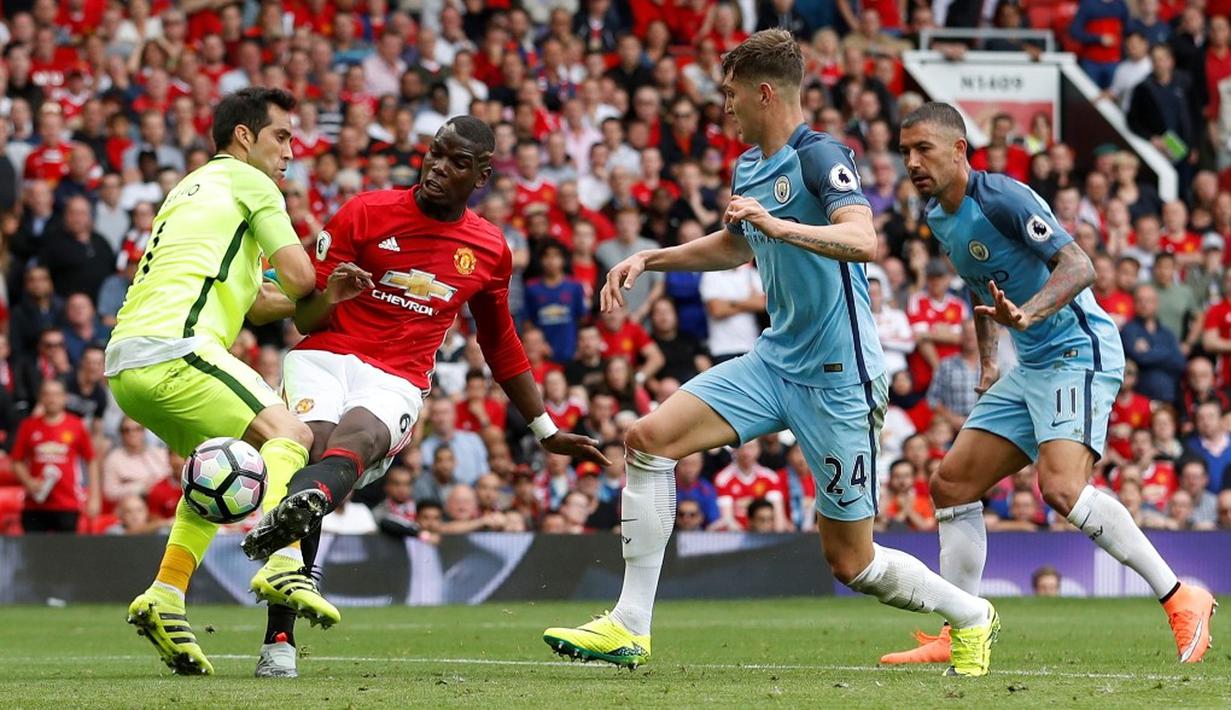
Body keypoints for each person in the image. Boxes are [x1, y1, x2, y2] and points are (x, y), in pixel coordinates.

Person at [543, 32, 999, 678]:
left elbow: (861, 237)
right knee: (647, 439)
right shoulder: (748, 166)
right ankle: (629, 626)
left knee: (852, 562)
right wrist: (652, 259)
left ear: (763, 94)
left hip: (839, 377)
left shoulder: (820, 157)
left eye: (728, 95)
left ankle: (971, 614)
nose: (721, 108)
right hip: (773, 361)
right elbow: (735, 248)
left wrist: (779, 224)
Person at [240, 117, 608, 674]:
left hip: (398, 375)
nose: (438, 167)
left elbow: (501, 343)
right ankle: (280, 640)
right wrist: (332, 294)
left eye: (457, 162)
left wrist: (547, 431)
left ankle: (285, 535)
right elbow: (304, 313)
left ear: (481, 175)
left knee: (354, 442)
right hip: (324, 354)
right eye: (435, 154)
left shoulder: (487, 248)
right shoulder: (364, 212)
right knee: (313, 448)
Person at [884, 102, 1213, 667]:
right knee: (952, 485)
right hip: (1029, 362)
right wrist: (990, 361)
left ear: (959, 149)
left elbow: (1080, 265)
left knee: (1060, 489)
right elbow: (978, 286)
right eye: (905, 152)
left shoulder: (1004, 198)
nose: (912, 162)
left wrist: (1030, 315)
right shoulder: (938, 214)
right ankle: (962, 625)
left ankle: (1183, 596)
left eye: (923, 150)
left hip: (1077, 351)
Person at [102, 88, 331, 677]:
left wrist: (319, 292)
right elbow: (303, 278)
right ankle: (282, 558)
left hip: (128, 363)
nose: (290, 152)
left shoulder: (192, 188)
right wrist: (325, 281)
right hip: (177, 348)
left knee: (219, 471)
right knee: (291, 433)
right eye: (281, 136)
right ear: (244, 136)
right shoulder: (254, 184)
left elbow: (258, 304)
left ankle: (165, 595)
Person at [11, 379, 99, 533]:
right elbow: (16, 461)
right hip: (35, 504)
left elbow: (91, 460)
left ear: (65, 397)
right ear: (41, 398)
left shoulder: (76, 425)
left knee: (65, 553)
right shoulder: (28, 426)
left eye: (56, 394)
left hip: (68, 503)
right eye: (47, 394)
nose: (52, 399)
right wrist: (29, 482)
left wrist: (94, 497)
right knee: (33, 552)